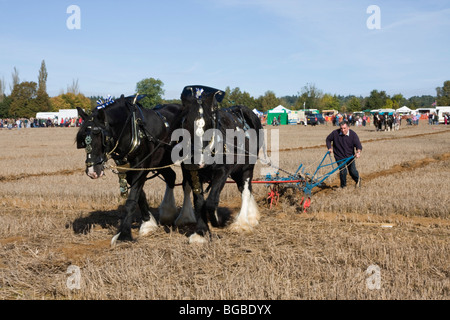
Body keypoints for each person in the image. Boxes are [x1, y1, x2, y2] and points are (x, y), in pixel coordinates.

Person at [326, 120, 362, 188]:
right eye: (341, 128)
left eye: (344, 128)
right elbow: (328, 139)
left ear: (348, 127)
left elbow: (358, 146)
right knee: (343, 171)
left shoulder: (353, 135)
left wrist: (358, 153)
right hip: (339, 156)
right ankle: (343, 186)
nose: (342, 130)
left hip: (350, 156)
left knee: (352, 172)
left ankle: (358, 180)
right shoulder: (335, 133)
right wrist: (329, 148)